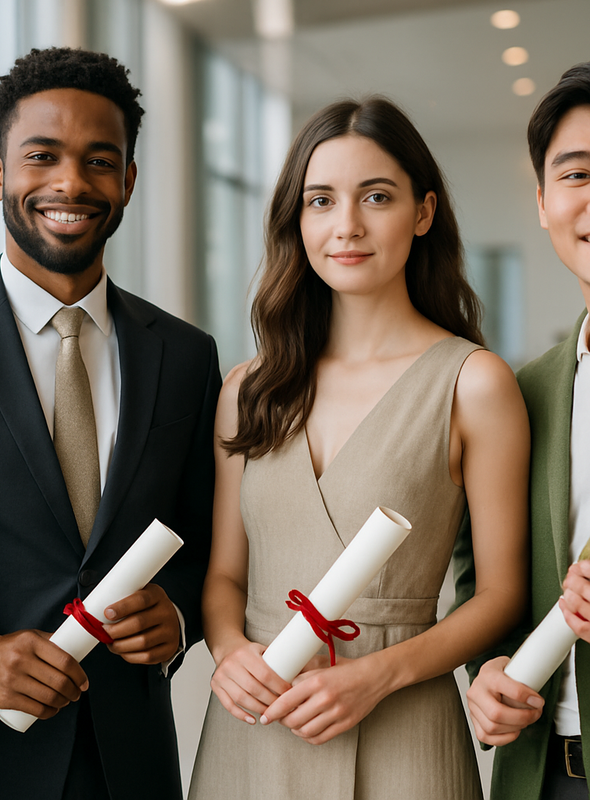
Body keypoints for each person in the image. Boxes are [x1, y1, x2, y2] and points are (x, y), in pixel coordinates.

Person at [0, 47, 220, 800]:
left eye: (100, 160)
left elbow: (205, 533)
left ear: (128, 180)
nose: (71, 182)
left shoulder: (187, 357)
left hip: (132, 761)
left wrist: (180, 616)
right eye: (43, 157)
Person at [188, 96, 530, 800]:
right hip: (258, 729)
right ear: (297, 218)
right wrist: (228, 651)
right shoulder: (247, 388)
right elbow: (225, 575)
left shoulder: (473, 382)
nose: (346, 226)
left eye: (376, 196)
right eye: (321, 200)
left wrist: (381, 674)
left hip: (403, 718)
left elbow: (500, 594)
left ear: (424, 212)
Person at [461, 62, 590, 799]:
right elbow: (487, 577)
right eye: (577, 174)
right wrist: (490, 671)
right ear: (543, 203)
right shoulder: (527, 390)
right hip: (545, 773)